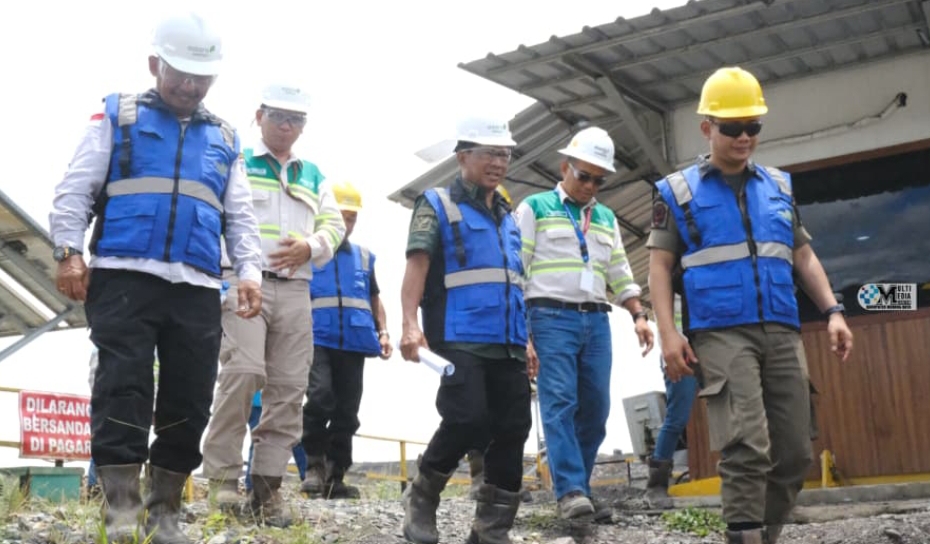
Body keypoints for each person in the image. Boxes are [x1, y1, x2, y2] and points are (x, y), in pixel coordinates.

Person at [49, 12, 262, 544]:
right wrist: (69, 252)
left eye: (201, 78)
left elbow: (240, 215)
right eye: (180, 74)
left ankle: (164, 511)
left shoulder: (225, 137)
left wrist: (249, 272)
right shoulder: (117, 116)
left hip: (197, 286)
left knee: (189, 397)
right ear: (154, 65)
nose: (190, 87)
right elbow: (75, 188)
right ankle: (121, 511)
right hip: (124, 277)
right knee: (124, 388)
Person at [647, 66, 854, 544]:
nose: (744, 137)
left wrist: (834, 312)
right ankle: (745, 536)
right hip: (719, 332)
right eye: (732, 127)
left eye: (753, 126)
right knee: (746, 445)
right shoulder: (677, 192)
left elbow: (803, 256)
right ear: (707, 128)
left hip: (781, 329)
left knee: (795, 452)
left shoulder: (778, 187)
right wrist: (668, 333)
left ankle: (763, 535)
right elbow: (659, 267)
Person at [201, 82, 345, 527]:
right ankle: (223, 479)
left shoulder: (313, 175)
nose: (287, 126)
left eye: (296, 119)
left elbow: (334, 224)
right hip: (244, 283)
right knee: (244, 372)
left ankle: (266, 488)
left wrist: (311, 246)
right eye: (279, 116)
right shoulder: (238, 161)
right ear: (259, 115)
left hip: (296, 289)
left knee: (289, 388)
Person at [399, 114, 534, 544]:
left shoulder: (508, 214)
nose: (499, 162)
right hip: (458, 335)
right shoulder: (437, 204)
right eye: (490, 153)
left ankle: (491, 530)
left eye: (505, 154)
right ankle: (421, 496)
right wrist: (409, 325)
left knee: (514, 428)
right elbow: (417, 266)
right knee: (467, 418)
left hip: (509, 340)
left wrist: (528, 340)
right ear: (462, 157)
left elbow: (514, 281)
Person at [514, 126, 653, 521]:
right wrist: (523, 334)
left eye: (598, 180)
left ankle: (580, 489)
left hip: (595, 321)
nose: (590, 186)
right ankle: (571, 491)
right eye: (584, 176)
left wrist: (639, 315)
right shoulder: (535, 208)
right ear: (565, 167)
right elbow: (516, 272)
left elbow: (621, 273)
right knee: (560, 402)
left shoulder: (606, 218)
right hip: (548, 318)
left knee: (595, 408)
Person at [299, 181, 393, 500]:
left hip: (353, 342)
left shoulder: (364, 258)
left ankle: (335, 475)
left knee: (347, 411)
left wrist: (383, 332)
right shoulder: (308, 253)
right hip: (316, 338)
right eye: (342, 217)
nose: (347, 224)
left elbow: (374, 298)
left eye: (352, 218)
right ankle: (313, 466)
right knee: (319, 397)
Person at [644, 294, 698, 506]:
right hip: (680, 353)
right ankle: (656, 486)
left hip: (712, 347)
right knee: (677, 418)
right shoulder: (668, 282)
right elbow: (662, 315)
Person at [244, 390, 308, 492]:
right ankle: (252, 486)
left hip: (276, 399)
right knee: (293, 437)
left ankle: (252, 486)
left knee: (260, 441)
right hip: (266, 400)